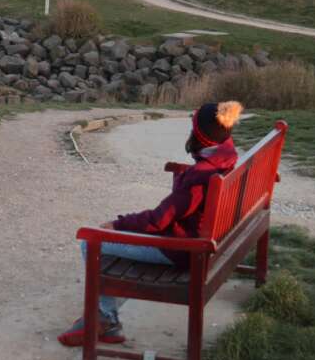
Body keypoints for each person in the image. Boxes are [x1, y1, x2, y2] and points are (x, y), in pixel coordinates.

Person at [57, 101, 244, 347]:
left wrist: (117, 224)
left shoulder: (200, 177)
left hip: (184, 251)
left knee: (91, 242)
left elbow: (158, 220)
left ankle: (105, 320)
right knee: (111, 242)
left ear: (200, 136)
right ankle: (105, 317)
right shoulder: (225, 157)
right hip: (203, 243)